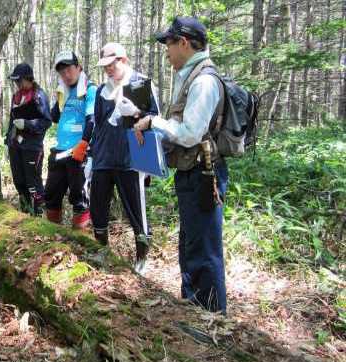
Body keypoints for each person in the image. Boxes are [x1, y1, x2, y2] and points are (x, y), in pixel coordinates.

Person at [134, 17, 227, 314]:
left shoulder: (203, 81)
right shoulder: (189, 77)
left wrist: (154, 122)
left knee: (204, 250)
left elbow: (190, 133)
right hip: (192, 173)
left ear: (184, 43)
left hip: (204, 173)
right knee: (190, 245)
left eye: (169, 45)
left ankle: (211, 317)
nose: (166, 52)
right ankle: (192, 309)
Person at [90, 43, 159, 271]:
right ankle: (102, 252)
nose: (109, 70)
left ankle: (141, 258)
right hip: (103, 158)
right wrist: (91, 156)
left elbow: (156, 119)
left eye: (112, 64)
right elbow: (98, 125)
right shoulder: (101, 91)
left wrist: (137, 113)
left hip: (131, 159)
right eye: (105, 66)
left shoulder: (140, 84)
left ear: (124, 60)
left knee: (135, 211)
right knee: (98, 206)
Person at [44, 51, 96, 229]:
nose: (66, 75)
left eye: (69, 70)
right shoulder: (63, 91)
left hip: (79, 151)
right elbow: (54, 117)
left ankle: (78, 242)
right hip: (60, 151)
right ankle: (53, 236)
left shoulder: (90, 89)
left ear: (79, 68)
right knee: (51, 195)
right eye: (62, 72)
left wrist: (84, 143)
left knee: (79, 198)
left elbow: (92, 119)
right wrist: (58, 98)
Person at [5, 63, 52, 216]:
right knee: (19, 181)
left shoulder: (39, 96)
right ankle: (24, 214)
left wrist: (27, 124)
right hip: (16, 145)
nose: (17, 84)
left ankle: (38, 215)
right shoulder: (16, 97)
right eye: (15, 81)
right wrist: (8, 139)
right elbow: (12, 119)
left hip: (32, 147)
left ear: (28, 78)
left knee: (33, 183)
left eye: (19, 81)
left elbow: (46, 121)